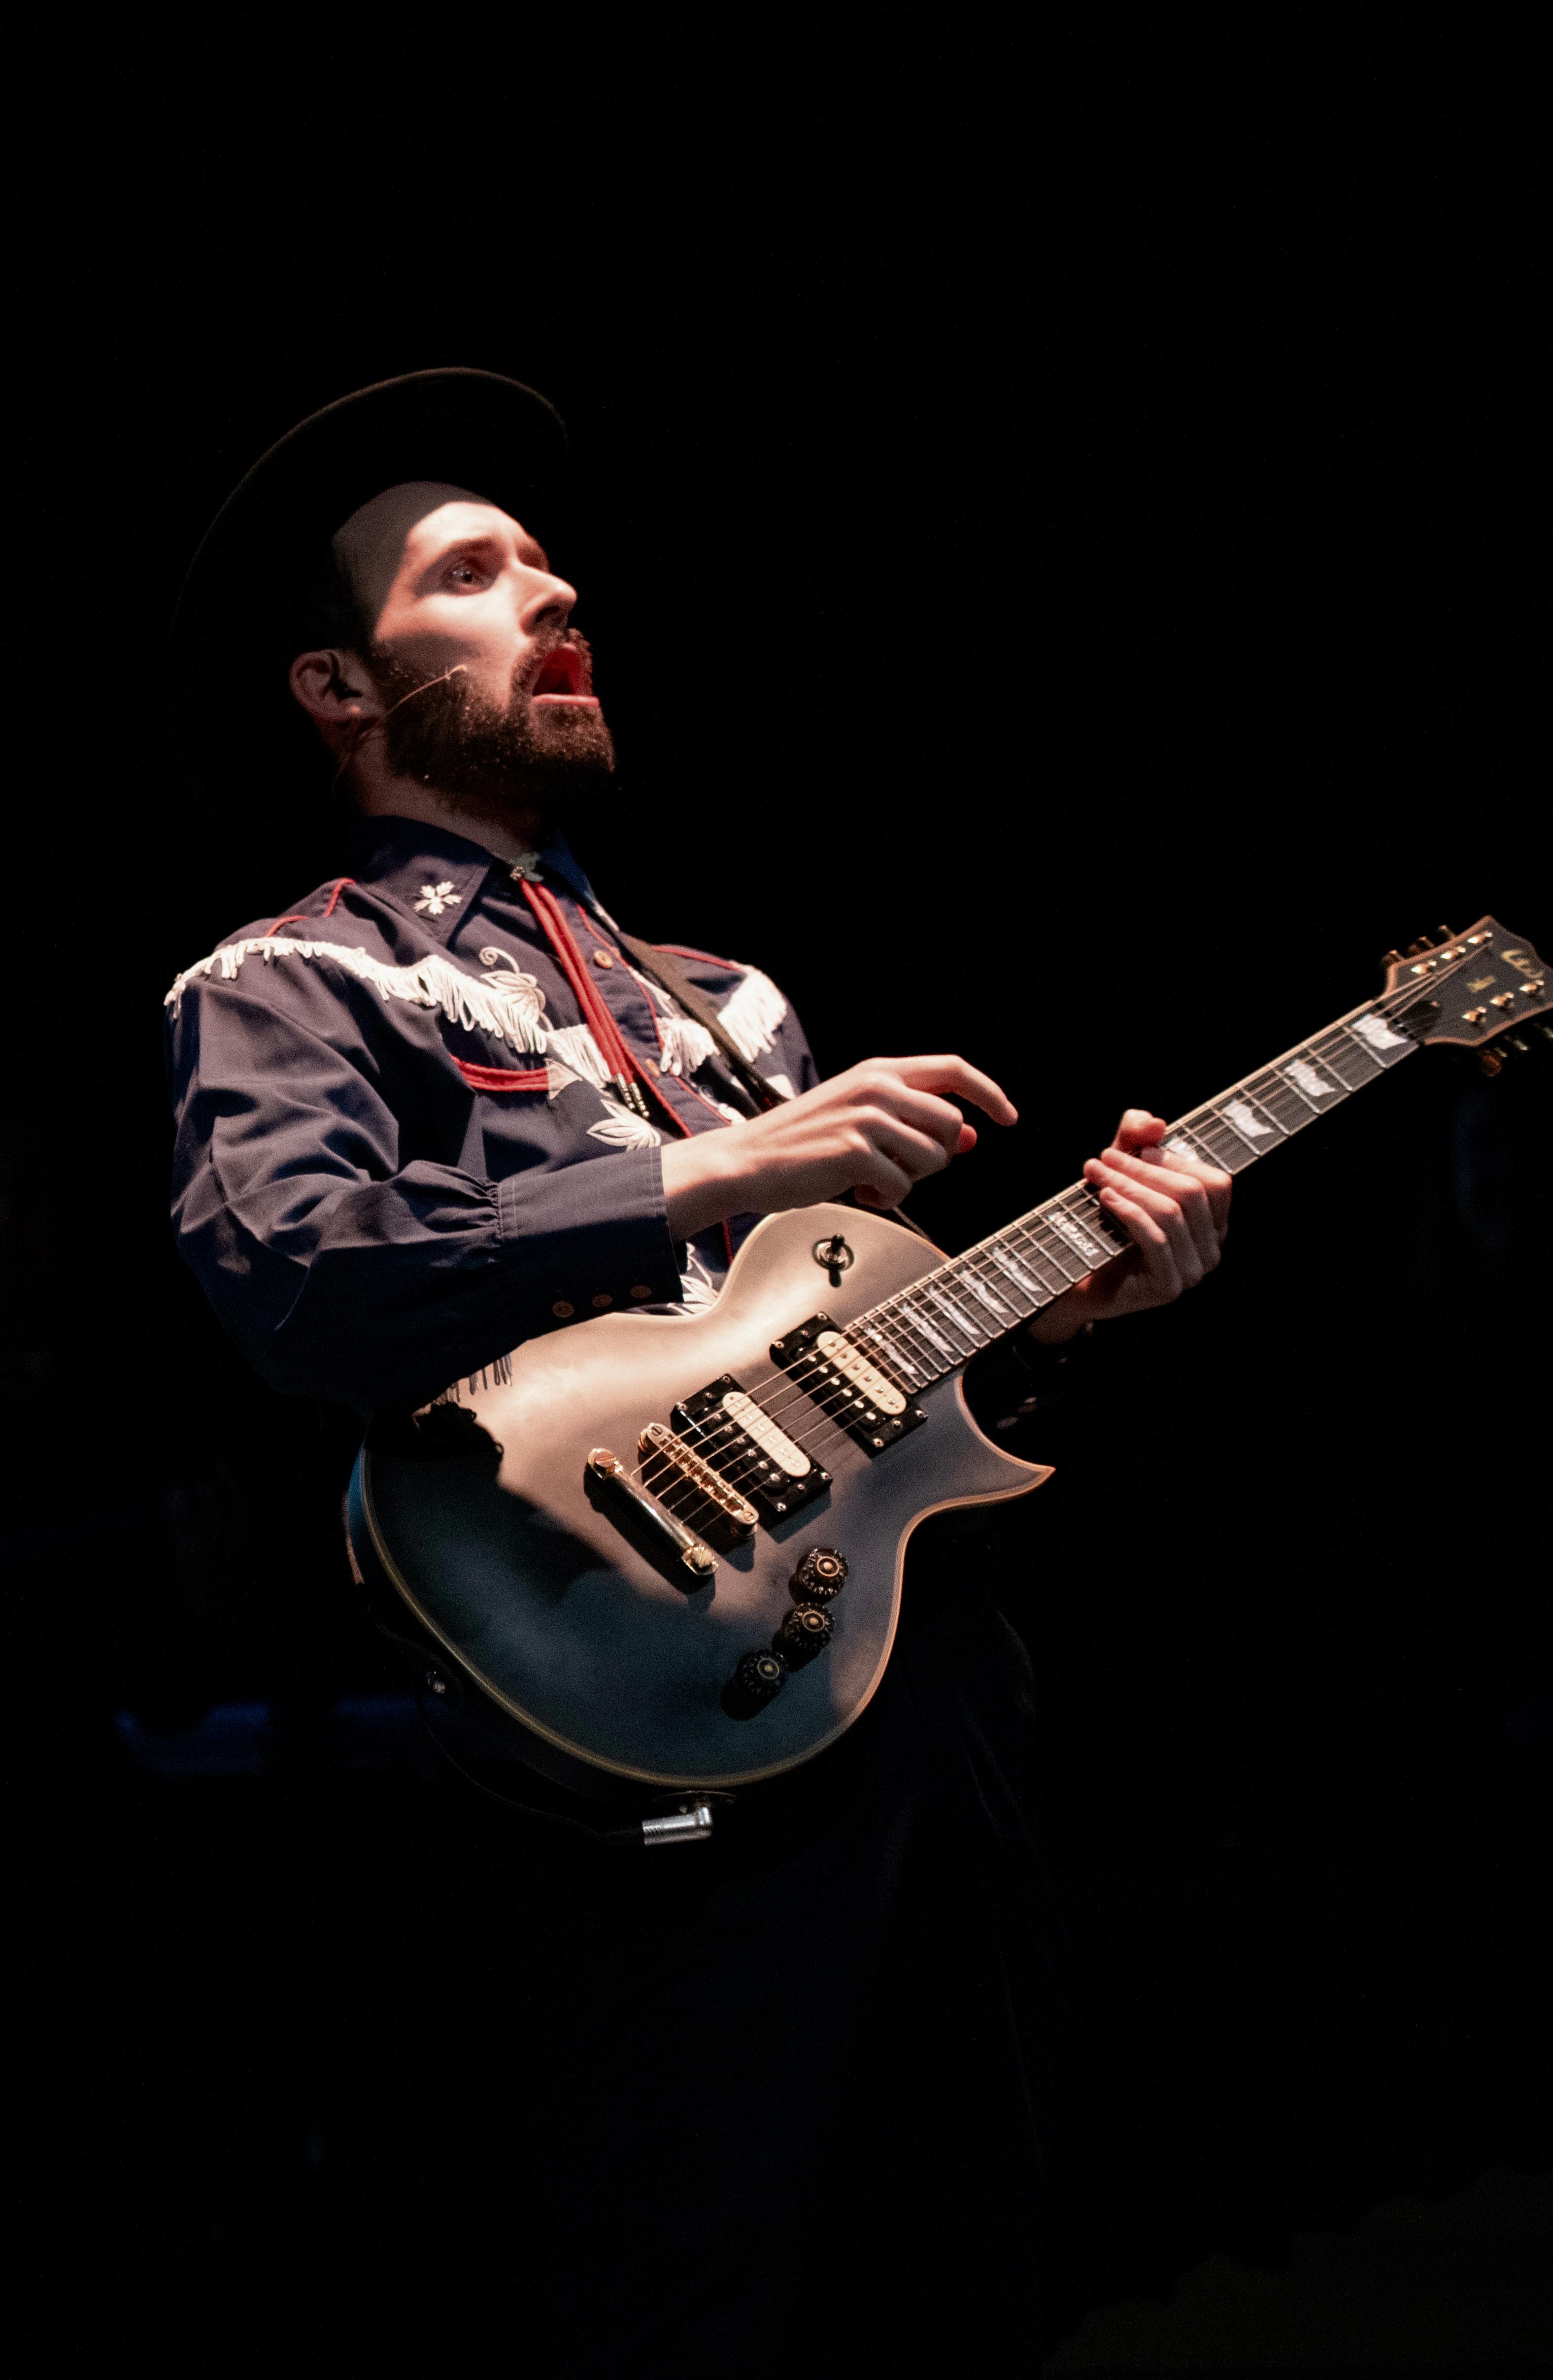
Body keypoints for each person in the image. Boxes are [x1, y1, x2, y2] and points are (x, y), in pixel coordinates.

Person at [164, 371, 1231, 2377]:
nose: (553, 585)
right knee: (688, 2290)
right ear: (337, 680)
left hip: (903, 1692)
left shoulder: (726, 1000)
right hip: (596, 1729)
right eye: (471, 570)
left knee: (954, 2261)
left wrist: (1070, 1308)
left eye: (548, 557)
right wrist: (709, 1162)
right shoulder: (288, 978)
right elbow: (298, 1279)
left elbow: (831, 1387)